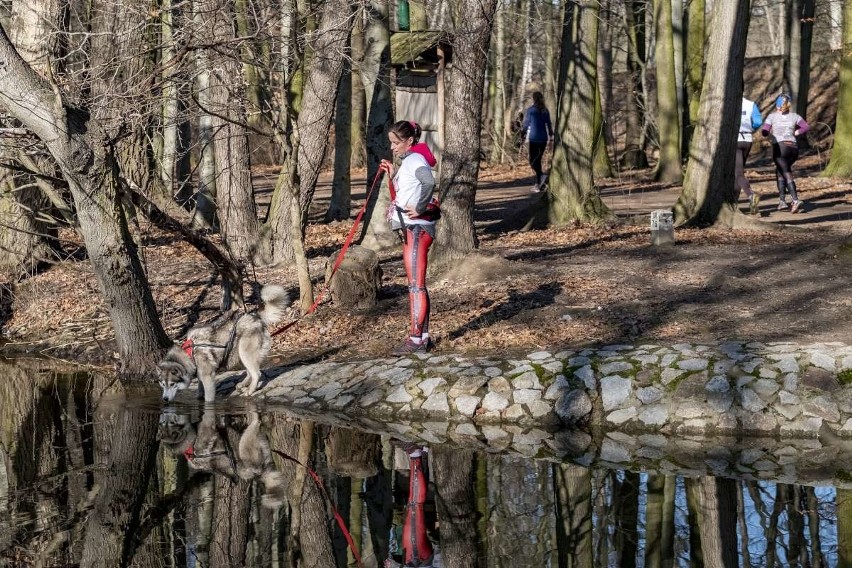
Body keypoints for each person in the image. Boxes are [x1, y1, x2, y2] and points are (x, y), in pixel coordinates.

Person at [380, 121, 437, 355]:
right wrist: (393, 176)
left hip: (416, 229)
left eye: (396, 143)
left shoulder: (414, 160)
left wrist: (421, 206)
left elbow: (429, 182)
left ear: (409, 141)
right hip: (411, 228)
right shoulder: (408, 162)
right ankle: (422, 336)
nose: (392, 148)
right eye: (391, 143)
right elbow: (404, 194)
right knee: (418, 285)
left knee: (415, 287)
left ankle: (415, 340)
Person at [760, 94, 810, 213]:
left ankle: (795, 199)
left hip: (780, 148)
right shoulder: (795, 116)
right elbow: (806, 127)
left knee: (786, 172)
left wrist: (768, 133)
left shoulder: (772, 116)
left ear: (776, 105)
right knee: (780, 171)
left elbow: (764, 131)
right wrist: (796, 132)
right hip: (793, 149)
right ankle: (782, 201)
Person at [521, 92, 553, 192]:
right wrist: (551, 135)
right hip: (543, 139)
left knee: (533, 162)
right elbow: (549, 124)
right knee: (537, 161)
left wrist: (523, 134)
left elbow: (526, 124)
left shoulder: (531, 110)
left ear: (534, 99)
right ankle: (539, 185)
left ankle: (542, 176)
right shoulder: (545, 110)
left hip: (534, 139)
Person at [738, 97, 763, 215]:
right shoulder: (751, 104)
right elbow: (758, 122)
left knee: (738, 174)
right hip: (747, 139)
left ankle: (751, 195)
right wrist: (750, 128)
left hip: (734, 140)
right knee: (737, 172)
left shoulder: (727, 101)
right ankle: (733, 202)